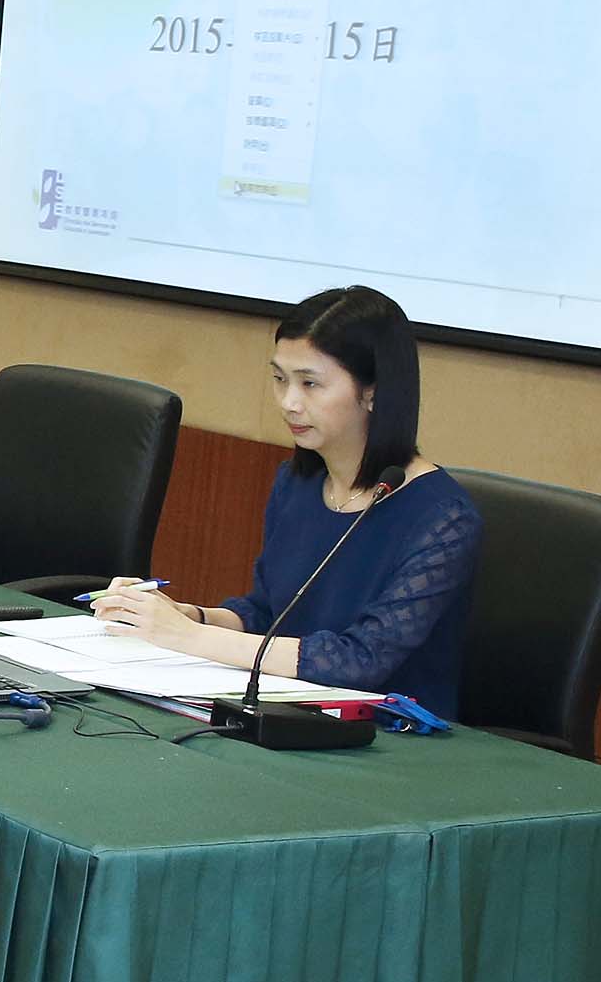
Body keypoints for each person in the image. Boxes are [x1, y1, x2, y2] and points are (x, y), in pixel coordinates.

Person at [91, 286, 481, 717]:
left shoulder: (443, 518)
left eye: (310, 384)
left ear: (372, 391)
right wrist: (187, 615)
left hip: (391, 734)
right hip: (289, 714)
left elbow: (360, 661)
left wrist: (189, 637)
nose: (289, 403)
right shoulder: (298, 483)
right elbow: (264, 614)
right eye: (280, 379)